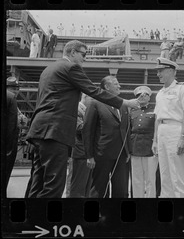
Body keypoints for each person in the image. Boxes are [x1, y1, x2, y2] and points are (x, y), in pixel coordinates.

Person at [25, 40, 140, 198]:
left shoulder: (49, 69)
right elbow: (93, 90)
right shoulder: (71, 67)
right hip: (55, 132)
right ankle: (45, 221)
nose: (84, 59)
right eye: (83, 54)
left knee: (37, 183)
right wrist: (125, 102)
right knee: (53, 185)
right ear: (72, 53)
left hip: (39, 130)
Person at [152, 57, 184, 198]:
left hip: (176, 131)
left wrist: (183, 137)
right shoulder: (160, 93)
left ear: (171, 71)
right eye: (157, 71)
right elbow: (157, 118)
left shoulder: (182, 88)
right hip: (162, 133)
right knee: (165, 175)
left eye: (161, 71)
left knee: (179, 174)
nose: (158, 74)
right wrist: (154, 140)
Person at [83, 76, 131, 198]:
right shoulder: (95, 103)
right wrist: (89, 156)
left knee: (121, 190)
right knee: (98, 189)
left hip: (121, 156)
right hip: (101, 155)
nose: (119, 86)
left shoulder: (123, 105)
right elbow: (88, 130)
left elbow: (127, 130)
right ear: (107, 87)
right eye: (116, 84)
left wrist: (128, 151)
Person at [129, 86, 159, 198]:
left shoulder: (155, 111)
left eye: (145, 94)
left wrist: (156, 143)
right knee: (136, 179)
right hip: (135, 147)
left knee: (150, 179)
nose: (142, 96)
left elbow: (157, 129)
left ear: (149, 97)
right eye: (139, 95)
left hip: (150, 148)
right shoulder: (132, 112)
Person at [68, 93, 92, 197]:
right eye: (92, 98)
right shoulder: (76, 110)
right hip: (79, 152)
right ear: (85, 97)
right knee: (77, 185)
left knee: (86, 185)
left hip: (87, 152)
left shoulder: (87, 111)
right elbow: (79, 128)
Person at [5, 78, 19, 191]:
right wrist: (9, 148)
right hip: (7, 145)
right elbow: (11, 126)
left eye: (17, 89)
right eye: (13, 88)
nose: (16, 91)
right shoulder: (11, 98)